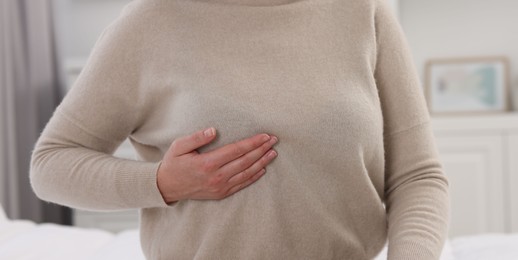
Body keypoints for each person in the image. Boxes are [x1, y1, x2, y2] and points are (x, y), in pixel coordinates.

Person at [30, 0, 450, 259]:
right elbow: (50, 164)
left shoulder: (363, 12)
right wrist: (162, 182)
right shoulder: (151, 22)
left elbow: (418, 175)